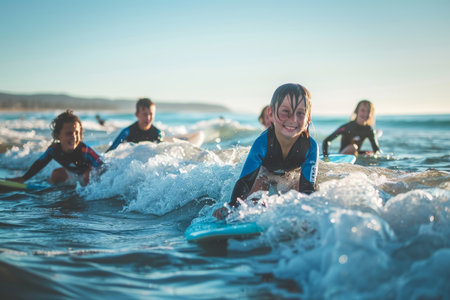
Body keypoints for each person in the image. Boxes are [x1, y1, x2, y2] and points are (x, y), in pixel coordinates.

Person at [213, 83, 319, 219]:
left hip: (291, 173)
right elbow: (245, 181)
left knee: (299, 200)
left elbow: (308, 188)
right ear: (270, 114)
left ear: (308, 117)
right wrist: (232, 205)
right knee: (253, 201)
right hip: (266, 171)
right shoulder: (262, 144)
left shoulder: (310, 147)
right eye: (285, 111)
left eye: (300, 113)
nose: (293, 119)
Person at [7, 110, 103, 185]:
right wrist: (23, 178)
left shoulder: (85, 151)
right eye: (69, 133)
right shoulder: (54, 150)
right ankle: (48, 187)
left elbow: (102, 166)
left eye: (77, 133)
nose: (74, 136)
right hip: (74, 174)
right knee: (55, 174)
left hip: (88, 175)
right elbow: (40, 163)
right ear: (57, 135)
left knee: (87, 176)